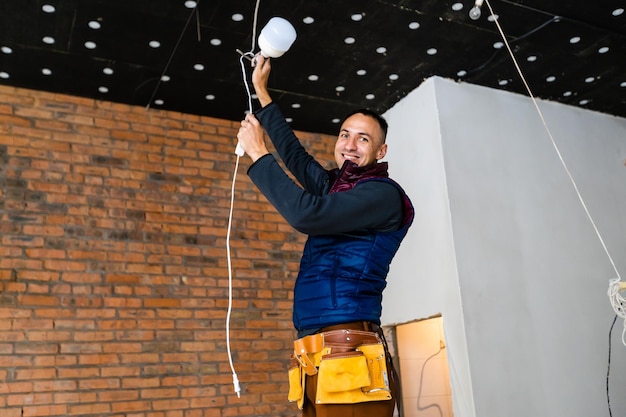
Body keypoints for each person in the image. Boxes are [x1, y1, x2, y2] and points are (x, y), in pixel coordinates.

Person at [236, 54, 414, 417]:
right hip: (313, 352)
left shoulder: (382, 195)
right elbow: (298, 159)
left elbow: (307, 214)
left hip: (349, 348)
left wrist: (258, 153)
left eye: (363, 139)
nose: (349, 144)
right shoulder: (340, 187)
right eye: (345, 135)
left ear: (380, 151)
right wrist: (263, 93)